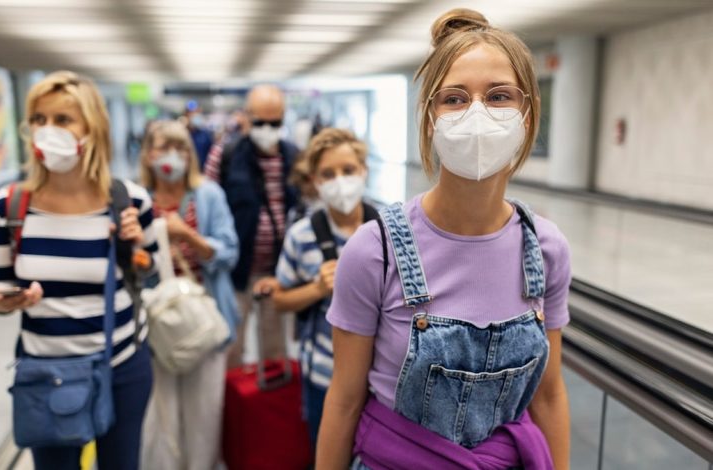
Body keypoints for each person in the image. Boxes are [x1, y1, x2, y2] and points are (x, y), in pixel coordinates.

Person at [316, 8, 571, 470]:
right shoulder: (375, 251)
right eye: (454, 98)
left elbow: (549, 396)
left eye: (499, 97)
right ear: (430, 117)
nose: (476, 113)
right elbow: (344, 400)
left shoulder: (546, 249)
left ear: (527, 114)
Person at [0, 70, 156, 470]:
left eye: (63, 120)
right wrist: (8, 300)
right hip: (46, 372)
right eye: (39, 120)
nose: (48, 130)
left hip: (121, 364)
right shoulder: (7, 207)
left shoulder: (128, 200)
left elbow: (150, 275)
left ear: (91, 128)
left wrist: (136, 247)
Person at [138, 119, 240, 470]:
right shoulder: (138, 199)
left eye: (180, 148)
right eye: (163, 147)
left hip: (204, 321)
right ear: (148, 155)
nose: (171, 156)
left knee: (204, 415)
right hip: (157, 326)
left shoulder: (208, 194)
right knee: (161, 416)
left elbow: (229, 251)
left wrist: (188, 235)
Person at [269, 128, 377, 452]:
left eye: (348, 170)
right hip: (323, 375)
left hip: (380, 376)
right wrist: (317, 288)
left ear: (363, 171)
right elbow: (279, 299)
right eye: (328, 174)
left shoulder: (387, 230)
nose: (340, 181)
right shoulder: (302, 235)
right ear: (315, 181)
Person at [205, 84, 299, 367]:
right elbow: (207, 207)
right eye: (260, 122)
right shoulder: (226, 155)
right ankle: (233, 408)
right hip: (236, 273)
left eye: (275, 122)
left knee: (275, 349)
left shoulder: (293, 156)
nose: (268, 128)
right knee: (230, 348)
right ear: (246, 117)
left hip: (278, 271)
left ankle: (270, 407)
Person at [184, 100, 214, 170]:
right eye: (193, 112)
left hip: (202, 171)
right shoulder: (182, 133)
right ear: (186, 114)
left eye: (198, 112)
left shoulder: (206, 135)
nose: (196, 115)